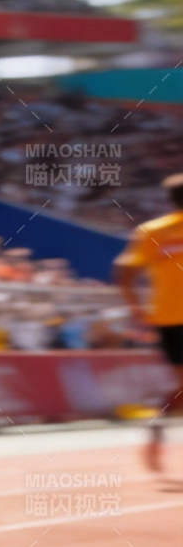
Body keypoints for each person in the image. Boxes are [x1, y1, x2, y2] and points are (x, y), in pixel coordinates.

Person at [114, 172, 183, 473]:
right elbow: (126, 271)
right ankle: (158, 424)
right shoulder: (153, 231)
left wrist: (135, 307)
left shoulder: (151, 231)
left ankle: (158, 424)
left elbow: (124, 272)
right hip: (170, 318)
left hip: (167, 318)